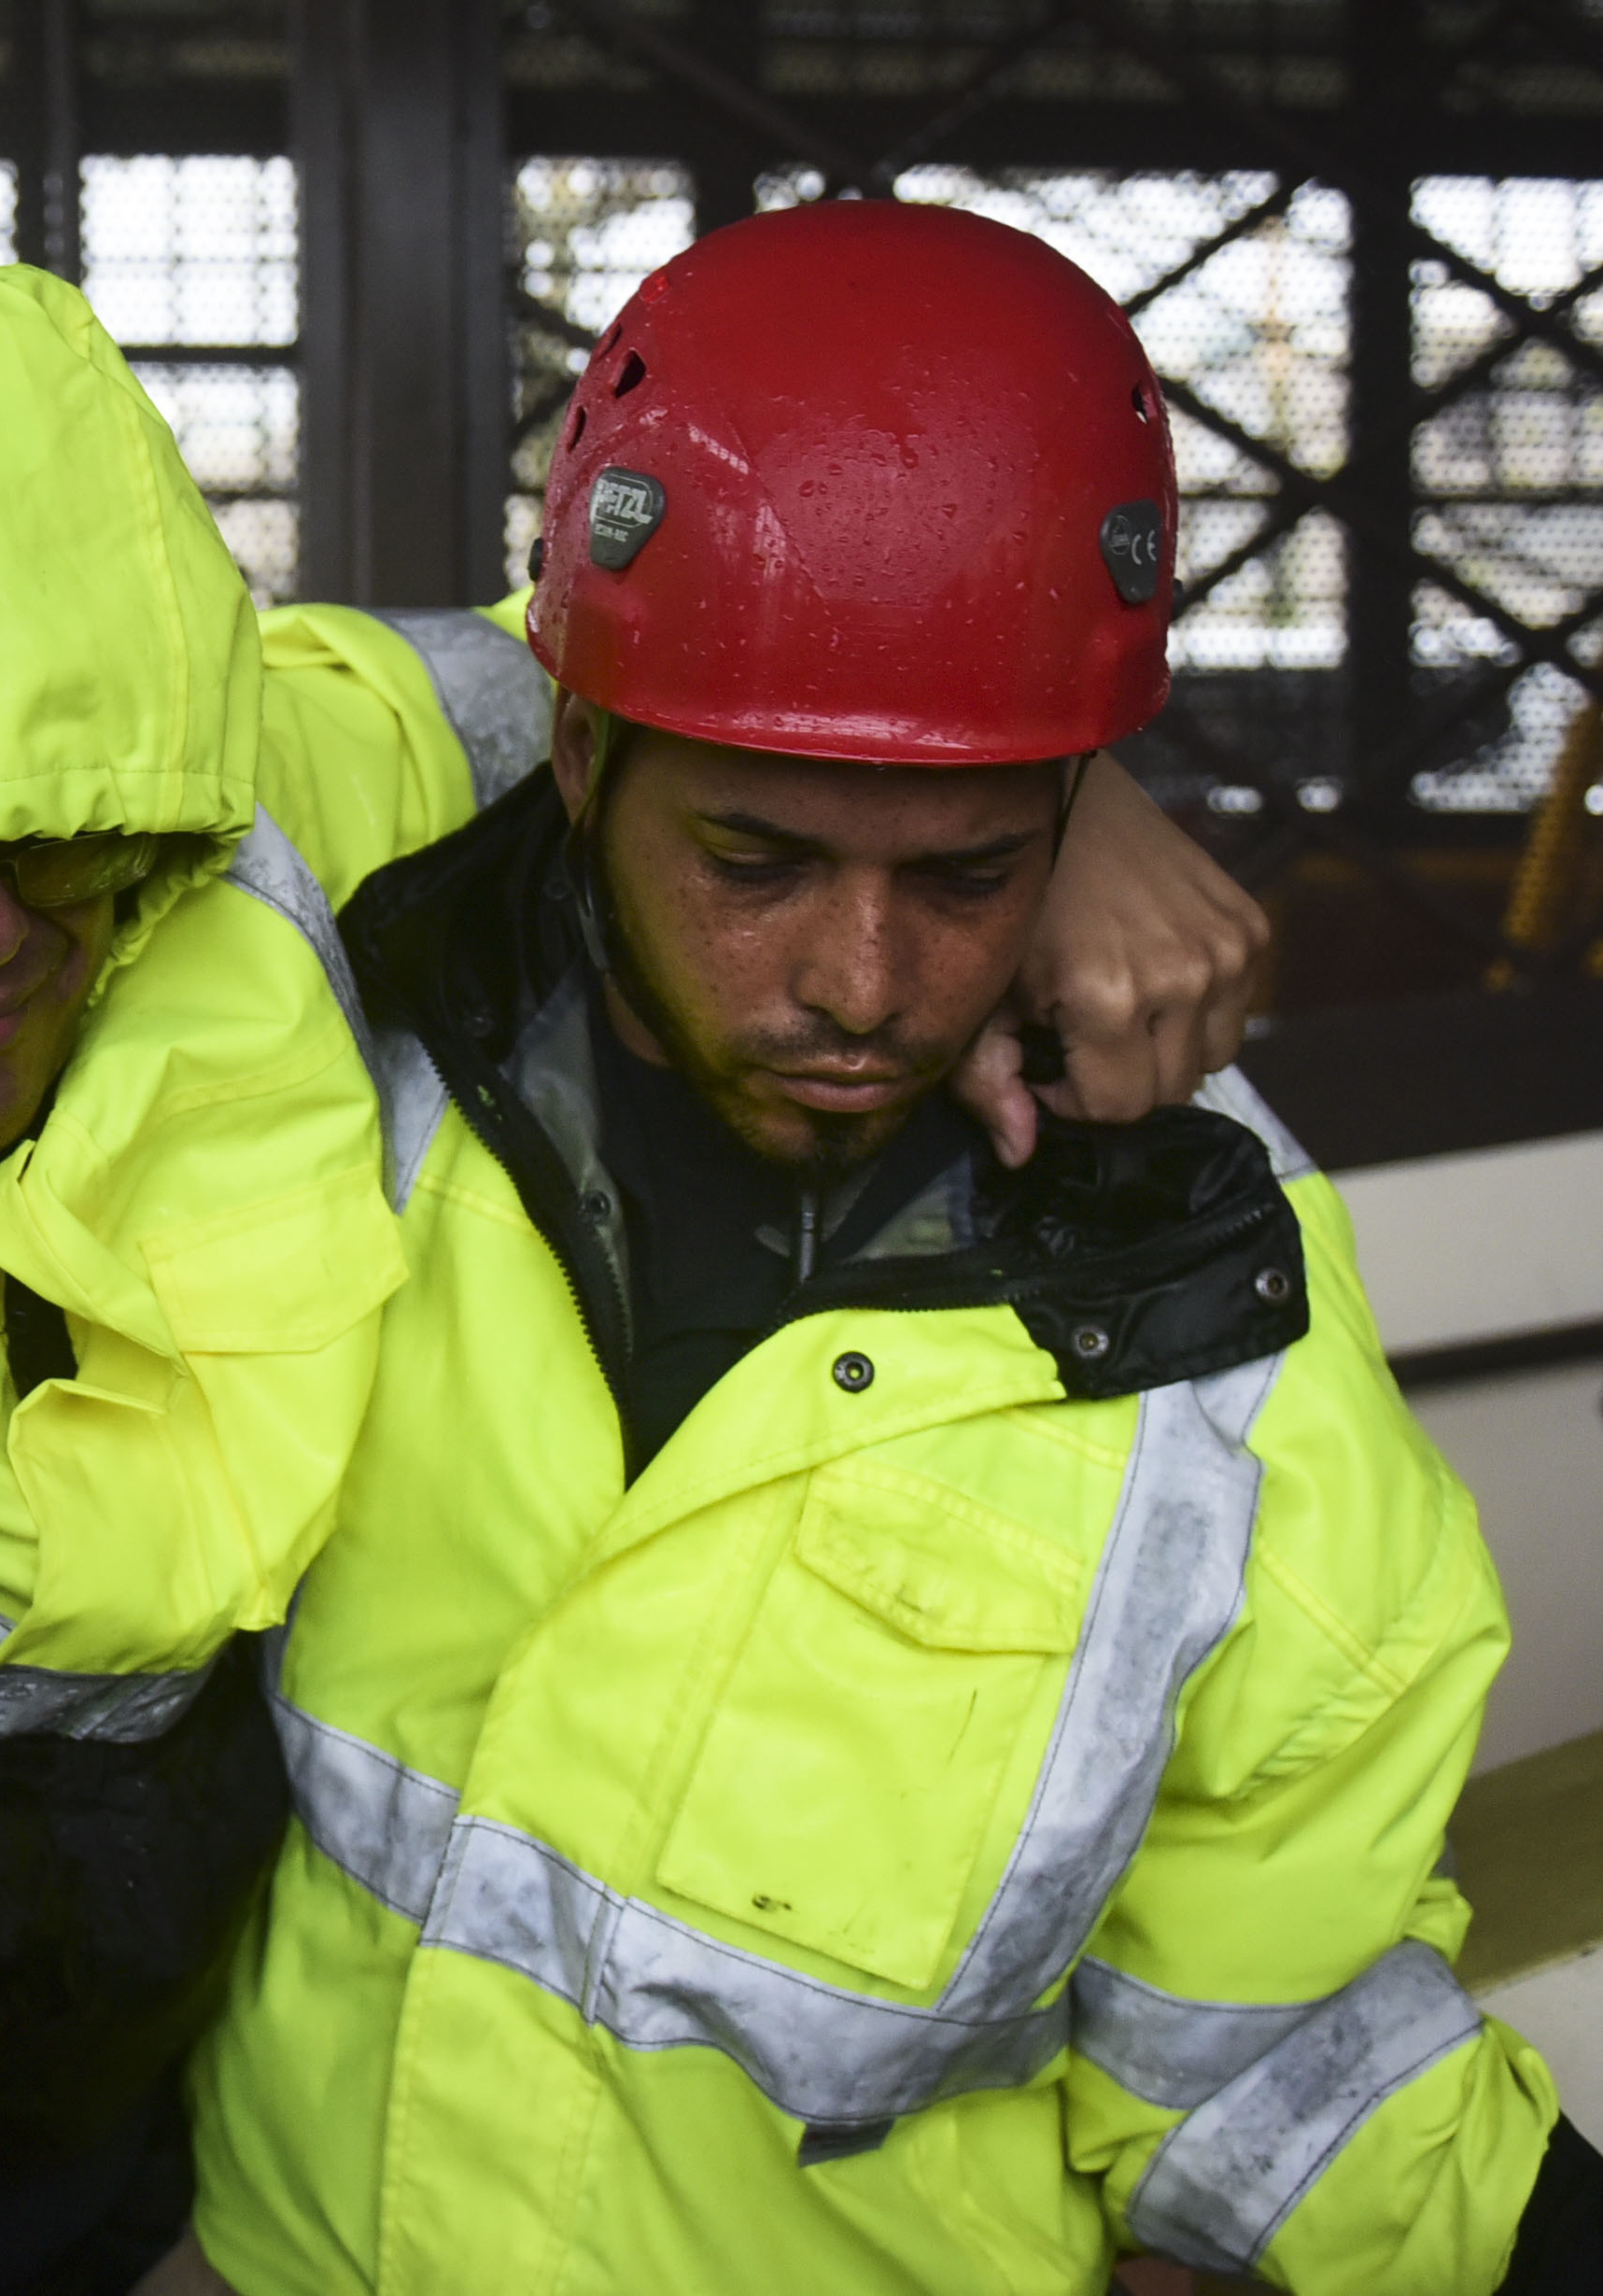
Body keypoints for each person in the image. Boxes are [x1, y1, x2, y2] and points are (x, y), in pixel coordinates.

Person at [0, 257, 1271, 2296]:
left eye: (75, 834)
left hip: (149, 2228)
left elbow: (613, 688)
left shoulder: (248, 853)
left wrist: (1065, 796)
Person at [176, 200, 1603, 2296]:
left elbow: (1269, 2040)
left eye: (963, 875)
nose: (860, 981)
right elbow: (95, 726)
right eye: (755, 859)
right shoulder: (367, 1023)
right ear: (578, 755)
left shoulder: (1208, 1320)